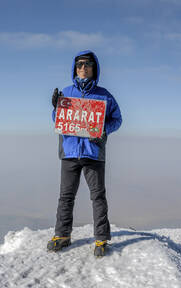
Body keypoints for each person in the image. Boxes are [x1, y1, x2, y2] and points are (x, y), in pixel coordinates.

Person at [48, 50, 122, 257]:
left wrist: (104, 130)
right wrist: (55, 108)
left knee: (98, 196)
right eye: (79, 64)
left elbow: (117, 119)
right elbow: (58, 119)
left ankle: (101, 238)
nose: (83, 68)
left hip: (93, 152)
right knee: (66, 196)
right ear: (75, 68)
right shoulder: (66, 92)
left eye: (87, 64)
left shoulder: (104, 95)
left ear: (94, 68)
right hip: (70, 151)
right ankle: (62, 235)